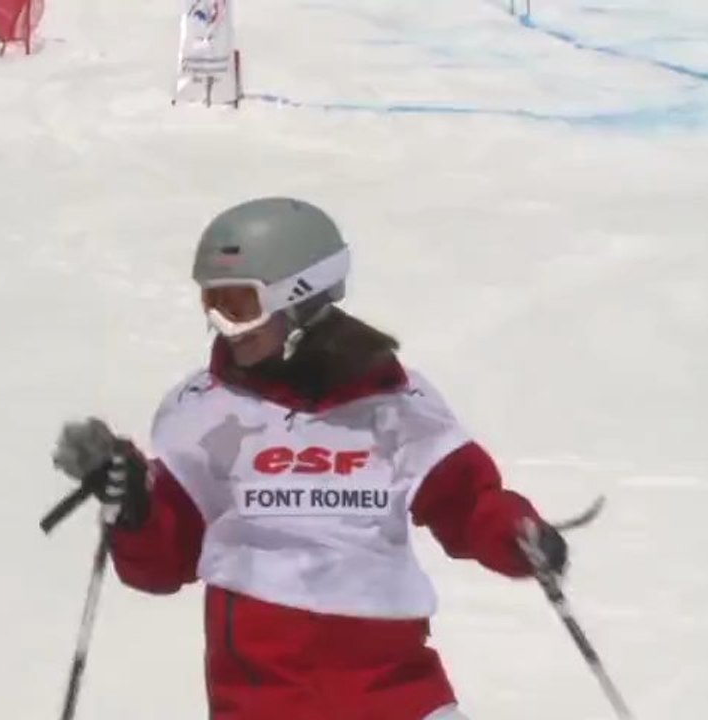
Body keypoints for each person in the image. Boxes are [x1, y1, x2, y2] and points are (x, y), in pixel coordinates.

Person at [51, 197, 571, 720]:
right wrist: (135, 504)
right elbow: (164, 564)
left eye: (239, 306)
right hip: (263, 704)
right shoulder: (204, 410)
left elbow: (468, 503)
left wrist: (518, 534)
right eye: (210, 303)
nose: (222, 325)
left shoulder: (393, 404)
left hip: (397, 698)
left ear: (299, 298)